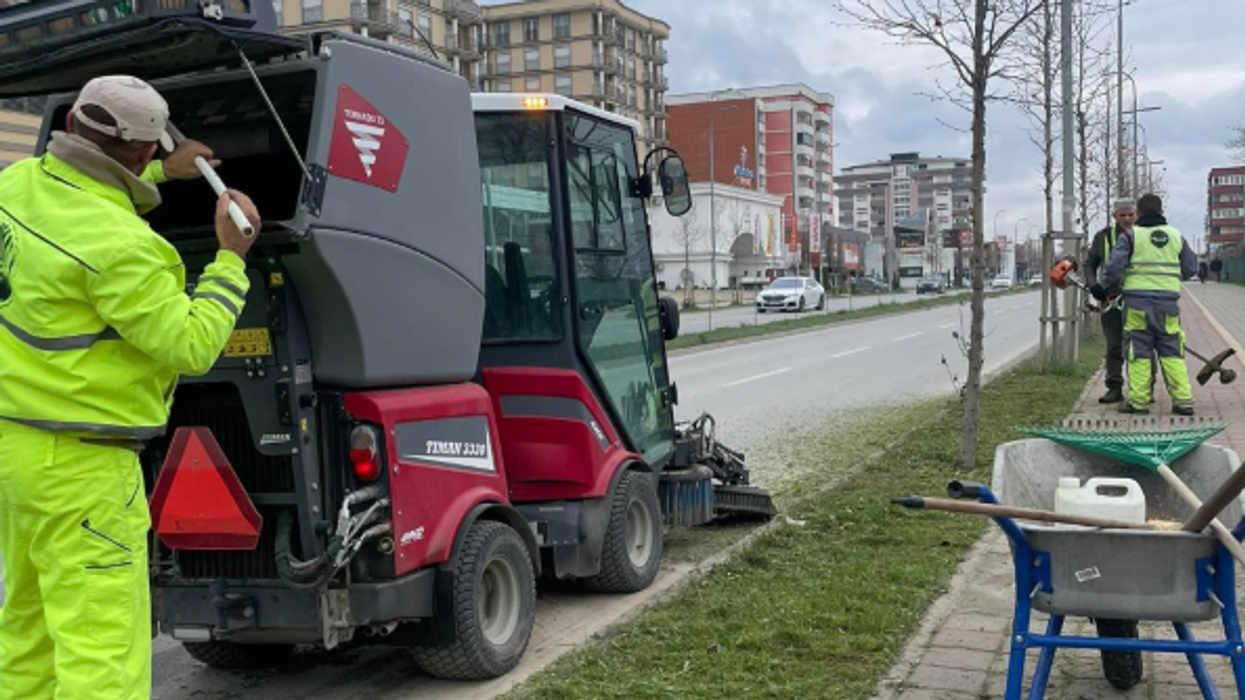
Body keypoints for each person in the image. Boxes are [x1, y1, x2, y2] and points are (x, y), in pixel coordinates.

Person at [0, 75, 260, 700]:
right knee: (102, 657)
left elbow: (82, 190)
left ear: (71, 123)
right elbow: (191, 345)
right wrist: (231, 257)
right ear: (141, 152)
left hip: (17, 450)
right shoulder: (125, 248)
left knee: (28, 637)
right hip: (83, 468)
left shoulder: (14, 186)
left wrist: (167, 174)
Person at [1094, 193, 1199, 415]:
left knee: (1138, 350)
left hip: (1137, 304)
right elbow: (1191, 268)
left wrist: (1105, 289)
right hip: (1168, 304)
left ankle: (1138, 402)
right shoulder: (1176, 236)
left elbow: (1114, 268)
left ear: (1139, 213)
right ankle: (1183, 400)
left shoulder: (1131, 236)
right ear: (1161, 212)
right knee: (1171, 350)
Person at [1085, 200, 1136, 404]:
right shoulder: (1103, 237)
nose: (1126, 219)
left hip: (1138, 297)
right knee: (1114, 345)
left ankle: (1144, 388)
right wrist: (1093, 285)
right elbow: (1089, 264)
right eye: (1122, 215)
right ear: (1115, 216)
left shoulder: (1144, 236)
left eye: (1130, 215)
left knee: (1141, 345)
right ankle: (1114, 387)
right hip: (1110, 298)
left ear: (1137, 215)